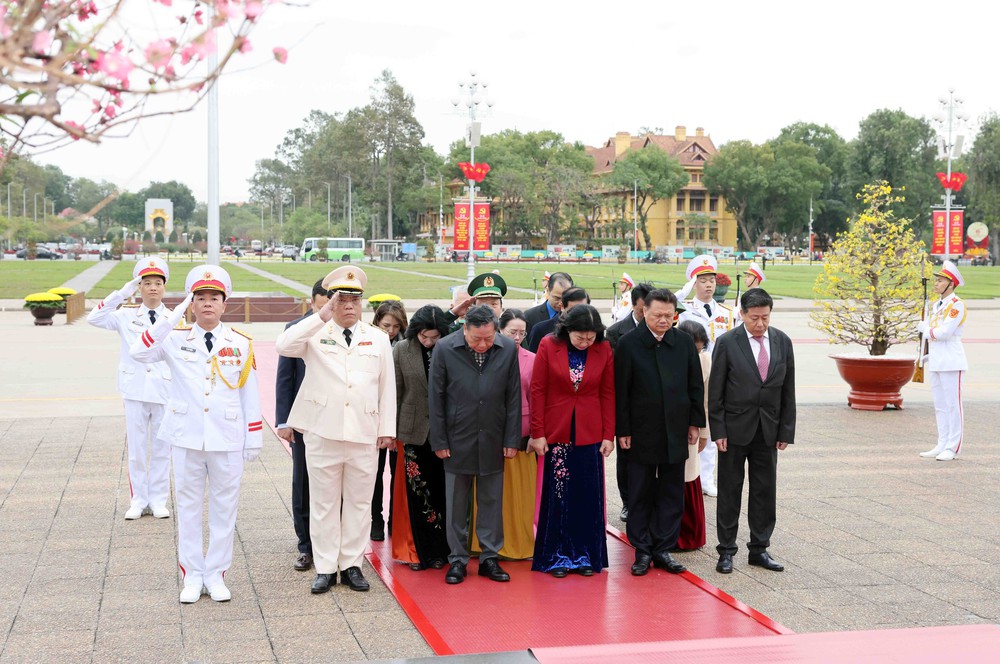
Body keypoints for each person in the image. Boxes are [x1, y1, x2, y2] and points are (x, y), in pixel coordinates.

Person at [130, 265, 262, 604]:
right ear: (190, 303)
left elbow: (249, 392)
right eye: (199, 298)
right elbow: (139, 351)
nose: (207, 304)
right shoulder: (173, 339)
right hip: (186, 436)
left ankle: (216, 574)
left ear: (224, 303)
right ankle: (191, 574)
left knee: (224, 509)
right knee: (188, 508)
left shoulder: (240, 344)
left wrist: (254, 436)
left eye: (213, 298)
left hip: (227, 437)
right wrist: (170, 319)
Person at [275, 266, 396, 594]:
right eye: (341, 300)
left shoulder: (378, 338)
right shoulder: (314, 332)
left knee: (358, 503)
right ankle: (326, 567)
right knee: (324, 503)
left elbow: (387, 388)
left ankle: (352, 564)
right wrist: (321, 315)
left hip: (363, 433)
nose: (348, 306)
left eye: (354, 300)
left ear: (362, 304)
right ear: (330, 302)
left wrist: (387, 429)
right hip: (322, 431)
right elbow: (284, 345)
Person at [428, 305, 522, 585]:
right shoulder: (445, 348)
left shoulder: (506, 348)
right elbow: (436, 398)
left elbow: (513, 396)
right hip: (457, 436)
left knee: (492, 500)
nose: (483, 344)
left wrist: (511, 438)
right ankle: (457, 559)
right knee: (457, 503)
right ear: (464, 329)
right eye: (477, 339)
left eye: (488, 338)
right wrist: (440, 439)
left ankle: (489, 558)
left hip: (493, 435)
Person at [615, 288, 704, 576]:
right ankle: (642, 549)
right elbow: (621, 391)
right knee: (639, 490)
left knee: (671, 491)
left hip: (675, 428)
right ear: (645, 313)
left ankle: (663, 548)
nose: (664, 320)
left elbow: (695, 387)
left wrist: (695, 423)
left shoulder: (683, 343)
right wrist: (623, 429)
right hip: (640, 430)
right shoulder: (629, 343)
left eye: (669, 315)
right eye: (657, 315)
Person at [710, 288, 796, 575]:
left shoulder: (782, 342)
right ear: (742, 314)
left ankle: (759, 548)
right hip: (734, 430)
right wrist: (718, 429)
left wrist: (786, 430)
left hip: (767, 430)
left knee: (764, 491)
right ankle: (726, 551)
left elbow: (788, 390)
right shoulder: (727, 343)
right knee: (730, 490)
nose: (760, 324)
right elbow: (716, 391)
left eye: (765, 318)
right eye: (754, 318)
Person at [530, 305, 614, 577]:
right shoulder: (548, 345)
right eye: (580, 338)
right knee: (559, 496)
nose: (585, 343)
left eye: (591, 338)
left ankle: (586, 556)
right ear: (567, 331)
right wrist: (537, 433)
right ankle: (557, 557)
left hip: (590, 431)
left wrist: (607, 435)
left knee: (586, 495)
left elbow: (608, 392)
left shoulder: (603, 349)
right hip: (557, 430)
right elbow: (538, 390)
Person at [87, 257, 173, 521]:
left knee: (161, 448)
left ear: (164, 287)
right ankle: (138, 500)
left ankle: (158, 500)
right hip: (134, 388)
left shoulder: (173, 318)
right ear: (139, 287)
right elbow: (94, 318)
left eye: (158, 283)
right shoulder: (125, 316)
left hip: (163, 389)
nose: (153, 288)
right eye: (147, 283)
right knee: (137, 449)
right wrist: (123, 293)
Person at [470, 308, 537, 560]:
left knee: (520, 495)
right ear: (500, 330)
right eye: (512, 332)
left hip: (521, 433)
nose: (517, 337)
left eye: (522, 332)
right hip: (488, 432)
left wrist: (536, 433)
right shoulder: (485, 355)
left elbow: (537, 398)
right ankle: (483, 543)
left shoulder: (532, 359)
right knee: (488, 493)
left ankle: (520, 544)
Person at [391, 305, 453, 570]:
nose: (428, 342)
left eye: (434, 337)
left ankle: (442, 550)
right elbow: (394, 392)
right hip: (411, 430)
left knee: (442, 491)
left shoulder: (450, 350)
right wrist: (391, 432)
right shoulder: (401, 350)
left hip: (444, 432)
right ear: (416, 331)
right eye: (424, 337)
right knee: (416, 494)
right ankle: (414, 552)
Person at [275, 278, 330, 572]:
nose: (327, 315)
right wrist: (284, 421)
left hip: (334, 421)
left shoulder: (342, 330)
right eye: (323, 307)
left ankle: (331, 546)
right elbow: (285, 379)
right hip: (303, 423)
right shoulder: (294, 331)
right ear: (312, 303)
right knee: (304, 484)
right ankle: (305, 546)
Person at [678, 254, 733, 498]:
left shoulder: (726, 312)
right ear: (693, 283)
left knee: (712, 428)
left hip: (719, 375)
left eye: (711, 280)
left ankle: (707, 478)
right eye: (703, 280)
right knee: (694, 427)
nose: (709, 285)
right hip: (694, 373)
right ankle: (692, 476)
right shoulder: (685, 311)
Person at [604, 282, 652, 523]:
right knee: (625, 457)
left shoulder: (662, 329)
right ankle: (627, 502)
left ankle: (647, 500)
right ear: (634, 306)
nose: (647, 314)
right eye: (644, 309)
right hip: (625, 404)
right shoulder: (615, 332)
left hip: (651, 406)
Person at [917, 260, 967, 461]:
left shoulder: (956, 306)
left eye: (940, 281)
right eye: (937, 280)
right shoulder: (937, 306)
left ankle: (953, 447)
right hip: (937, 360)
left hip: (952, 361)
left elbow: (945, 333)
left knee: (953, 405)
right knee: (940, 405)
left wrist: (925, 330)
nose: (936, 284)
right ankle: (942, 442)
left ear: (951, 284)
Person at [371, 298, 409, 541]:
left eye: (396, 326)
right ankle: (376, 519)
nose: (390, 331)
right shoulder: (368, 343)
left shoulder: (406, 346)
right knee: (374, 474)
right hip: (373, 419)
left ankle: (395, 520)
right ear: (376, 322)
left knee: (397, 474)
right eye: (386, 325)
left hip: (399, 420)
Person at [676, 320, 710, 550]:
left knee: (689, 476)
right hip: (667, 426)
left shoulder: (706, 361)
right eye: (693, 349)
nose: (697, 354)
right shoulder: (671, 357)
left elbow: (707, 401)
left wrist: (705, 432)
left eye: (700, 349)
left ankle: (689, 535)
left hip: (692, 427)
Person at [525, 286, 589, 353]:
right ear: (562, 307)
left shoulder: (594, 331)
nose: (578, 316)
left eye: (582, 311)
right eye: (572, 311)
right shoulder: (540, 330)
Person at [524, 271, 573, 337]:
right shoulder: (529, 316)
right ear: (548, 291)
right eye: (557, 298)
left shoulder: (576, 316)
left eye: (565, 298)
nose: (561, 303)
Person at [607, 282, 653, 351]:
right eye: (642, 311)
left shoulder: (664, 330)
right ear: (633, 305)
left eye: (651, 311)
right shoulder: (614, 333)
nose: (647, 315)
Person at [733, 263, 766, 327]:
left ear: (756, 280)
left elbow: (746, 314)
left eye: (748, 276)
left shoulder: (757, 296)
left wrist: (732, 311)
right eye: (746, 276)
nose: (745, 279)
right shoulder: (749, 293)